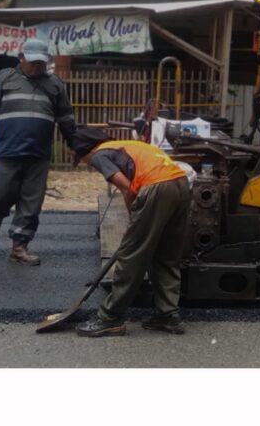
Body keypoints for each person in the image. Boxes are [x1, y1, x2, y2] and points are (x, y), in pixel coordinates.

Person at [0, 38, 78, 266]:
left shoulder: (54, 84)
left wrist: (75, 145)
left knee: (31, 203)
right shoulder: (5, 79)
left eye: (41, 63)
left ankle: (19, 247)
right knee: (1, 194)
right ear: (21, 58)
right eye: (33, 62)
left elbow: (66, 118)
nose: (37, 66)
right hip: (9, 152)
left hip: (39, 155)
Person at [73, 136, 191, 337]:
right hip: (181, 184)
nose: (89, 165)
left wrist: (133, 220)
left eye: (84, 161)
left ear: (87, 153)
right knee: (166, 255)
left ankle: (110, 317)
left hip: (157, 187)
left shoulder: (99, 154)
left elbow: (126, 187)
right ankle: (168, 316)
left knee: (131, 255)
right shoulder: (124, 145)